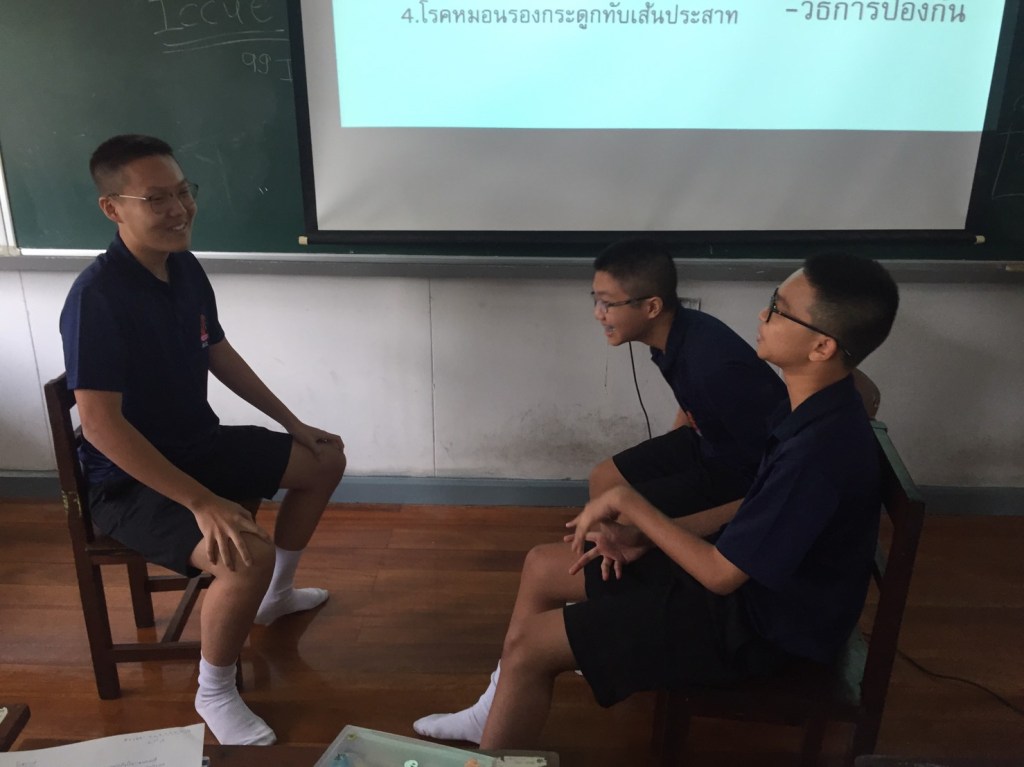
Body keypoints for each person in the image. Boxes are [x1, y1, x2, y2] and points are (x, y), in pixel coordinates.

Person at [413, 252, 899, 749]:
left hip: (764, 630)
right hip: (748, 588)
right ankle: (494, 711)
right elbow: (752, 508)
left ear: (822, 346)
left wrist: (636, 508)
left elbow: (721, 574)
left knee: (531, 645)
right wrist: (643, 536)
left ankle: (502, 723)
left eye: (779, 309)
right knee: (542, 565)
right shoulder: (817, 407)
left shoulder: (816, 453)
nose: (763, 314)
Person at [59, 134, 347, 746]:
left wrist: (292, 422)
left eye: (183, 192)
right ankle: (213, 691)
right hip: (128, 483)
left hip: (197, 445)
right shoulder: (97, 298)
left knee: (324, 460)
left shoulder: (183, 265)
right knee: (246, 554)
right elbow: (102, 426)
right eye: (156, 199)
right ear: (112, 208)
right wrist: (201, 502)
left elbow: (216, 349)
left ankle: (275, 598)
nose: (178, 210)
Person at [586, 238, 789, 518]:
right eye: (596, 299)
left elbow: (773, 468)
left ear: (652, 308)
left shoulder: (714, 367)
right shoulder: (671, 335)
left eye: (608, 304)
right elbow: (693, 401)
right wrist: (671, 447)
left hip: (742, 472)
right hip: (708, 444)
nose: (598, 314)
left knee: (628, 514)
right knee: (603, 477)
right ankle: (598, 544)